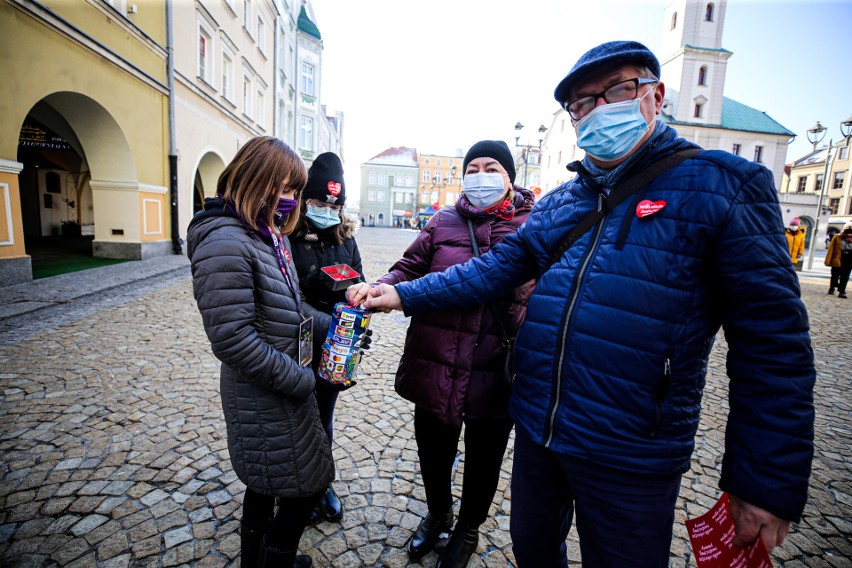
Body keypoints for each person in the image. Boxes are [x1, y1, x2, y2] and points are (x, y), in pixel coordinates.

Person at [349, 41, 815, 567]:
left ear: (655, 96)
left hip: (631, 450)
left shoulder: (723, 186)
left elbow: (773, 346)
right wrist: (401, 293)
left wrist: (764, 480)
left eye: (615, 90)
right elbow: (490, 270)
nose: (595, 109)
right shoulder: (563, 202)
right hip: (540, 431)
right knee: (533, 552)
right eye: (580, 104)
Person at [348, 140, 536, 567]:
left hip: (497, 364)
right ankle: (437, 513)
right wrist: (381, 286)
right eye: (473, 167)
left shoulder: (533, 224)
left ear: (510, 177)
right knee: (433, 450)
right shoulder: (442, 221)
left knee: (485, 458)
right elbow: (408, 268)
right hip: (436, 355)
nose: (481, 174)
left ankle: (467, 530)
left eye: (492, 167)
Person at [187, 136, 333, 568]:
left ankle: (256, 559)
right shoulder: (225, 241)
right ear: (256, 180)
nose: (291, 200)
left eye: (295, 192)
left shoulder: (265, 233)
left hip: (277, 384)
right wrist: (304, 380)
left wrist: (335, 323)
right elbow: (232, 339)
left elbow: (290, 304)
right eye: (285, 189)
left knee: (265, 480)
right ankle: (276, 561)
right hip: (265, 391)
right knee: (304, 487)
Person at [290, 151, 364, 523]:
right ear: (306, 200)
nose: (327, 209)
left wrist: (356, 302)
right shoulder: (288, 234)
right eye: (319, 202)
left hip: (336, 344)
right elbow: (285, 296)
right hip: (297, 342)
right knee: (296, 417)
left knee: (325, 416)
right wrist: (317, 295)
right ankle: (292, 489)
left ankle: (321, 484)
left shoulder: (346, 237)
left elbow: (360, 282)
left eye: (334, 204)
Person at [825, 222, 852, 298]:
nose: (849, 230)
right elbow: (831, 249)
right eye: (848, 228)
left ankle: (842, 291)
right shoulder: (837, 237)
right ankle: (832, 288)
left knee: (845, 276)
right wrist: (829, 260)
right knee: (835, 275)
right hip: (838, 258)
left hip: (849, 259)